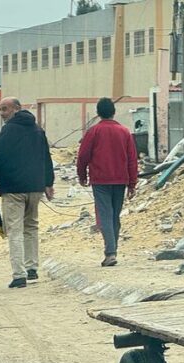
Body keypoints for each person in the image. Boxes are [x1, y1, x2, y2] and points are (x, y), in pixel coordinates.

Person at [0, 97, 55, 289]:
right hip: (35, 187)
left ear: (16, 109)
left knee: (14, 230)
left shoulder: (8, 130)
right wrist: (48, 183)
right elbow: (46, 157)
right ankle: (32, 267)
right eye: (0, 109)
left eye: (5, 109)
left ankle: (19, 275)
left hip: (13, 188)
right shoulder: (37, 129)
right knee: (31, 226)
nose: (2, 113)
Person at [77, 97, 138, 267]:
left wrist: (82, 175)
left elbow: (83, 156)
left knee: (104, 215)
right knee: (114, 216)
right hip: (120, 180)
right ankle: (113, 250)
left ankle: (110, 252)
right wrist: (132, 183)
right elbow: (132, 160)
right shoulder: (124, 132)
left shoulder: (93, 132)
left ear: (98, 113)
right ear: (114, 112)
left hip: (100, 180)